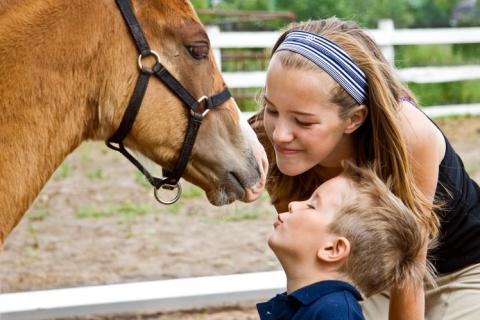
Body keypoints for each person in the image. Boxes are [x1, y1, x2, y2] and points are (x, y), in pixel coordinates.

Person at [249, 17, 480, 320]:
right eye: (271, 109)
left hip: (459, 269)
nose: (280, 133)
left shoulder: (409, 135)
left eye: (303, 121)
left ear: (354, 118)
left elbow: (410, 271)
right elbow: (307, 257)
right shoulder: (272, 140)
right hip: (366, 273)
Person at [256, 162, 431, 320]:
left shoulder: (335, 313)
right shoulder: (314, 307)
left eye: (311, 206)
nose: (293, 204)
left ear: (333, 249)